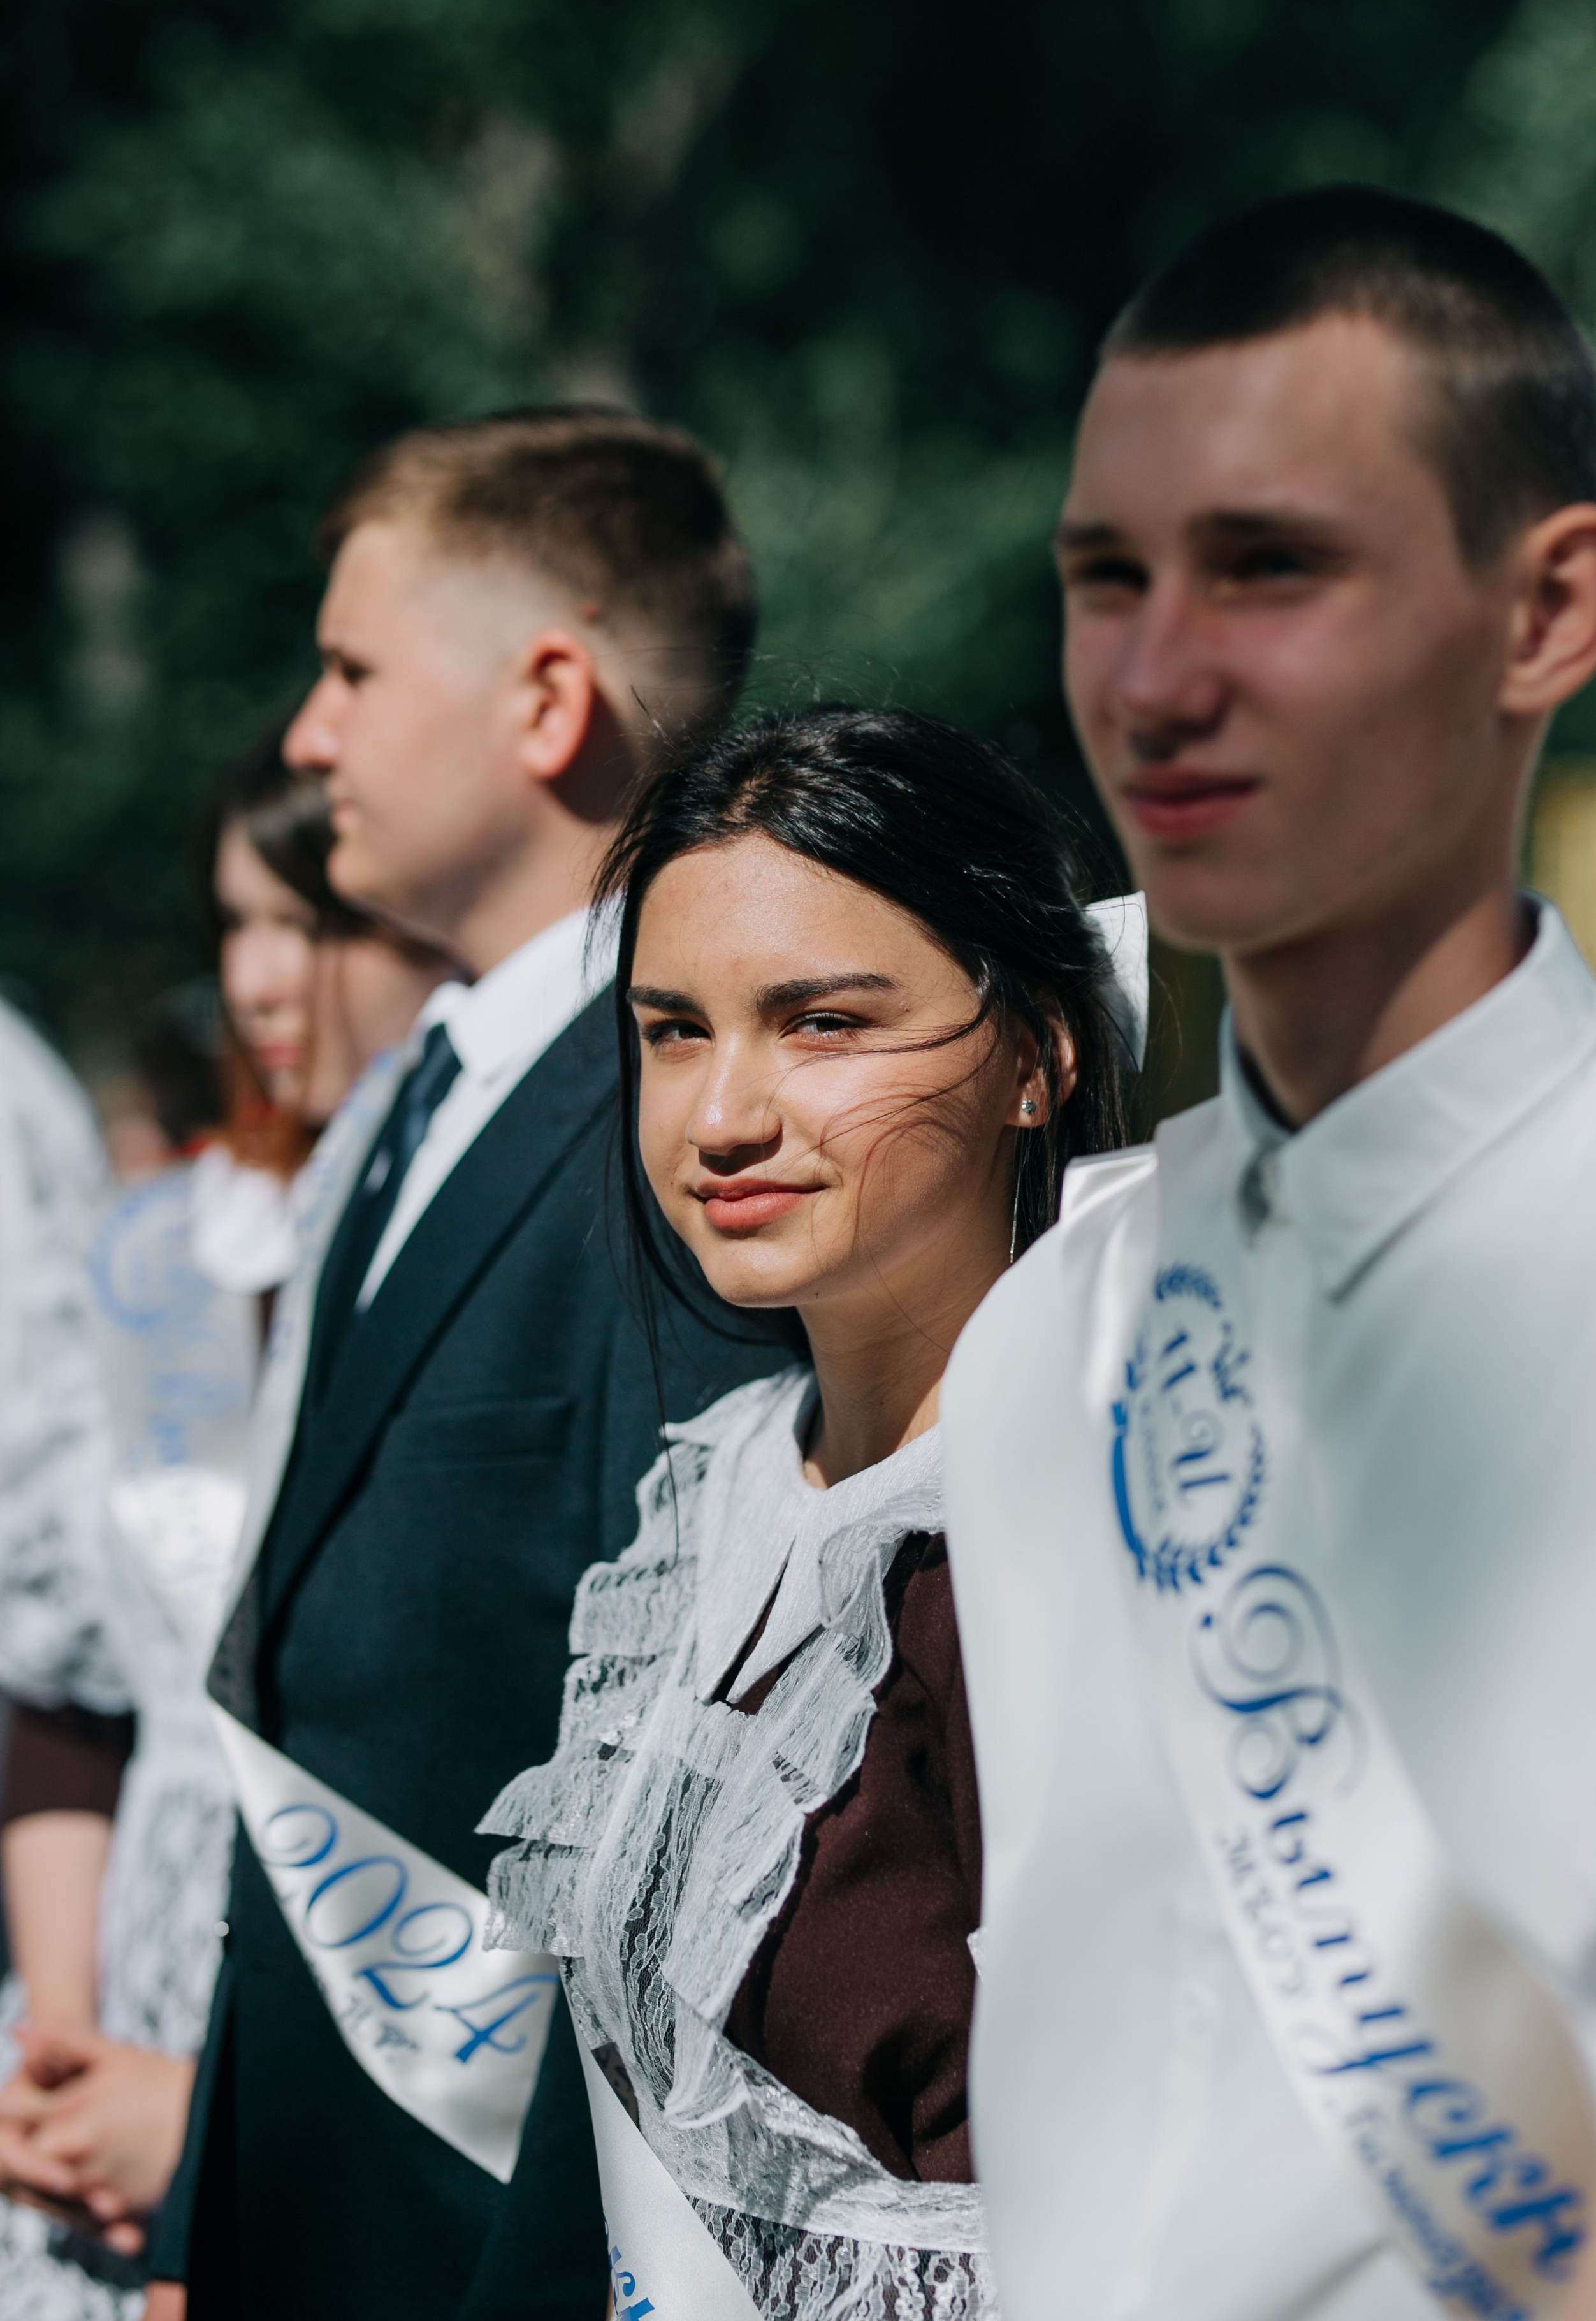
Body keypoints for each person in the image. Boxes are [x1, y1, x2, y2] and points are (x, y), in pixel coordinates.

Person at [941, 185, 1596, 2321]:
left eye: (1269, 569)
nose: (1154, 678)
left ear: (1547, 613)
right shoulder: (1045, 1338)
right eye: (1103, 580)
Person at [146, 409, 795, 2321]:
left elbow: (689, 1762)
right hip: (308, 2200)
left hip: (495, 2237)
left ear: (546, 701)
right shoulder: (421, 1092)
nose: (305, 736)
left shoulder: (680, 1124)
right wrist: (208, 2213)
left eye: (352, 672)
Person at [480, 704, 1140, 2319]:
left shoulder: (1090, 1542)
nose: (722, 1117)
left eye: (821, 1022)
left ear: (1041, 1053)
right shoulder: (708, 1497)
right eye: (672, 1031)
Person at [0, 741, 447, 2318]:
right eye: (233, 925)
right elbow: (64, 1684)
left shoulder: (463, 1274)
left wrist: (200, 2123)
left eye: (310, 925)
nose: (262, 979)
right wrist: (58, 2056)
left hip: (355, 2023)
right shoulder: (148, 1263)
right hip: (100, 2011)